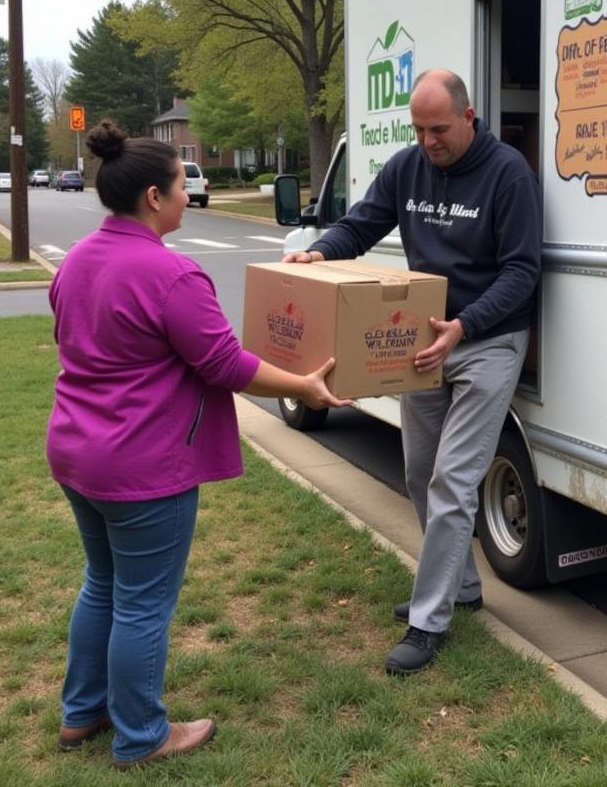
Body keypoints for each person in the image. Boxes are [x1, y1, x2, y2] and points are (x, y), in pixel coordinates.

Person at [48, 121, 351, 769]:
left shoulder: (74, 259)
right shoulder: (172, 274)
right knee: (141, 603)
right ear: (154, 198)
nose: (190, 195)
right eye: (184, 184)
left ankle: (82, 714)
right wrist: (306, 385)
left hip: (75, 451)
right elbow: (226, 365)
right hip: (141, 466)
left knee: (102, 583)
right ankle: (141, 736)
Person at [284, 68, 541, 674]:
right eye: (419, 130)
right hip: (424, 340)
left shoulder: (509, 175)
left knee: (454, 479)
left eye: (440, 129)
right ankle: (463, 588)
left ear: (469, 117)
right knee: (420, 469)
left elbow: (522, 272)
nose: (429, 142)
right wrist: (319, 251)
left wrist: (467, 325)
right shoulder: (407, 167)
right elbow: (363, 224)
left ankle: (430, 623)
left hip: (488, 340)